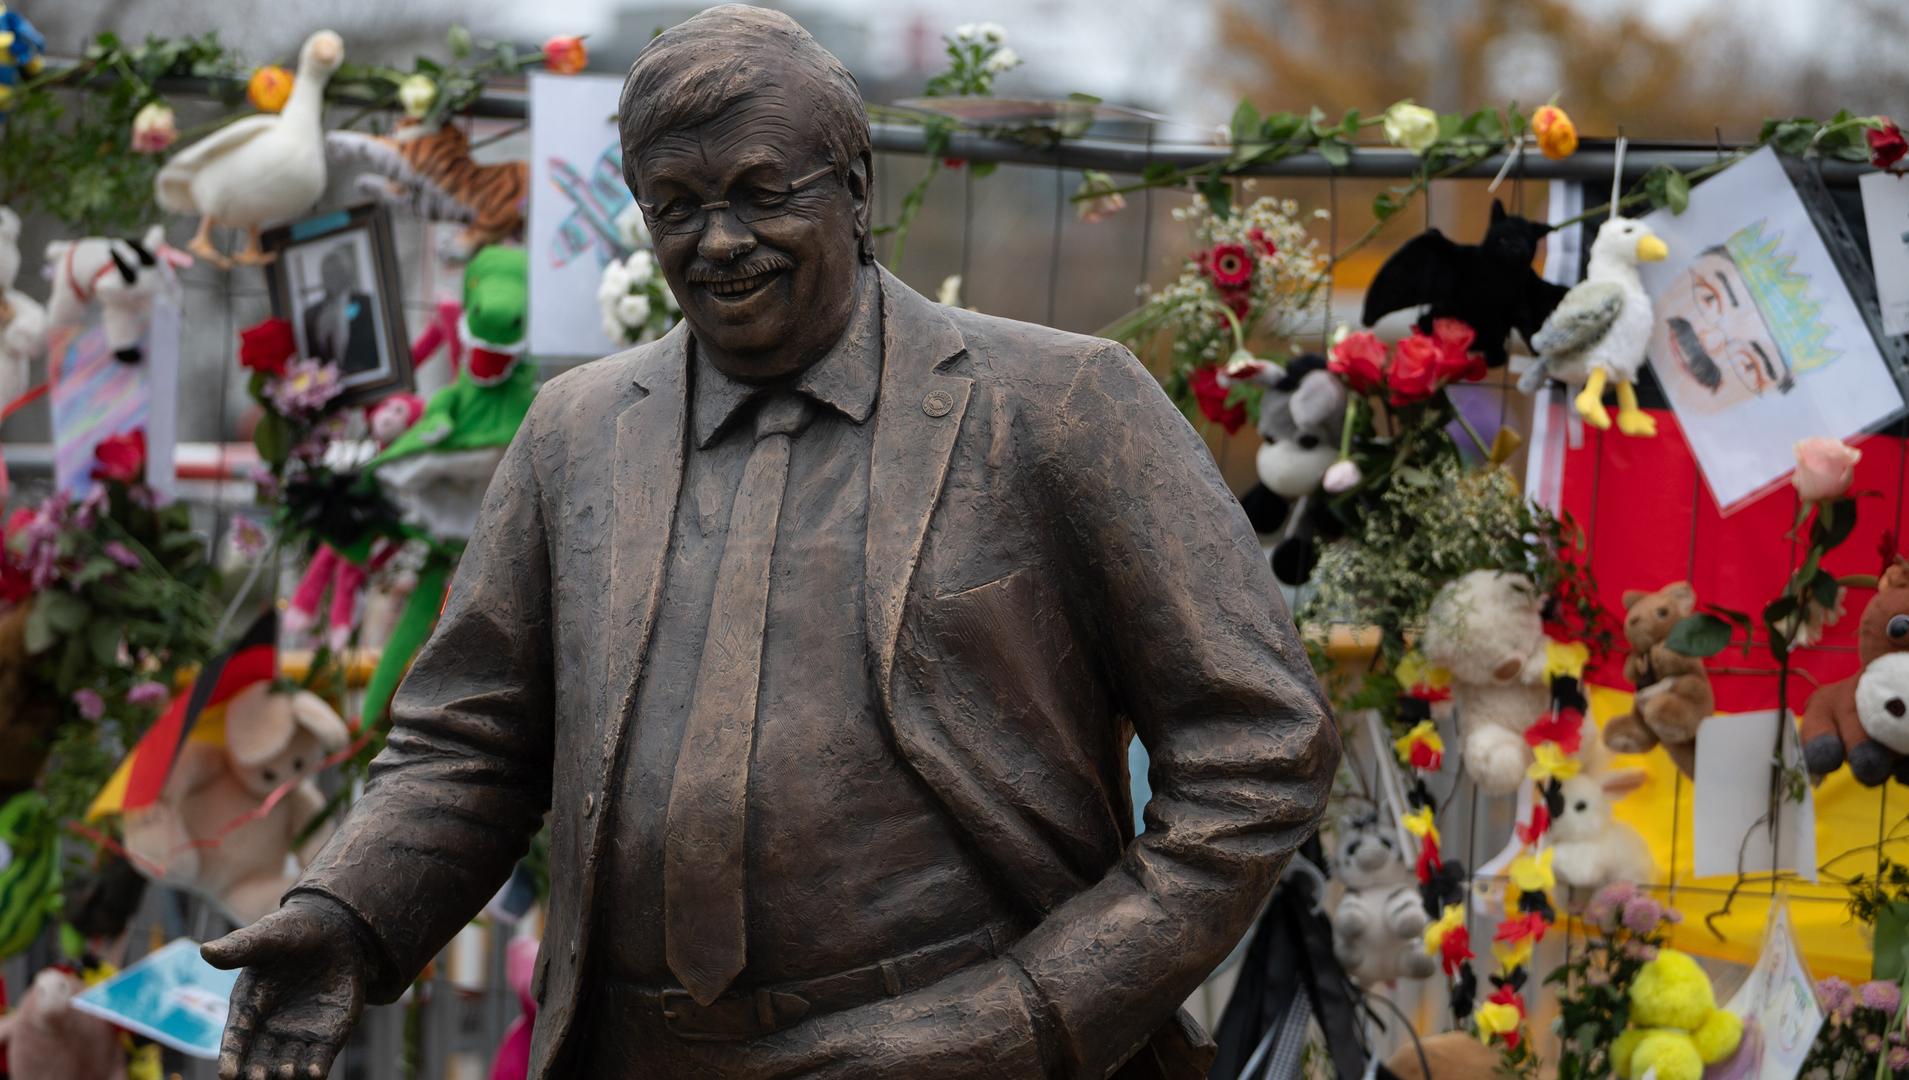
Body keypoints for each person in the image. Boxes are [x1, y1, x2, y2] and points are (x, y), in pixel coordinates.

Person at [203, 7, 1337, 1079]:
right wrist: (346, 916)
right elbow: (469, 742)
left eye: (760, 194)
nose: (719, 240)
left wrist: (1029, 1015)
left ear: (856, 188)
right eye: (676, 206)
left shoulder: (1062, 405)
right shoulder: (574, 435)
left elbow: (1259, 746)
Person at [300, 241, 379, 375]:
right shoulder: (311, 314)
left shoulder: (367, 304)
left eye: (336, 272)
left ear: (346, 274)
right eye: (327, 274)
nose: (331, 278)